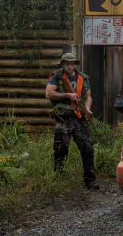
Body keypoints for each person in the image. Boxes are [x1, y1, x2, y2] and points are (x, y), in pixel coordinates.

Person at [45, 53, 99, 190]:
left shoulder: (83, 77)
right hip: (63, 118)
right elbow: (49, 93)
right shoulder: (57, 76)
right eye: (67, 64)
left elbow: (88, 96)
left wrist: (87, 109)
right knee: (60, 148)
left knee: (87, 148)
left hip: (80, 118)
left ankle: (90, 179)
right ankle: (59, 177)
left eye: (72, 64)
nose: (70, 66)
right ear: (62, 64)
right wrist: (67, 95)